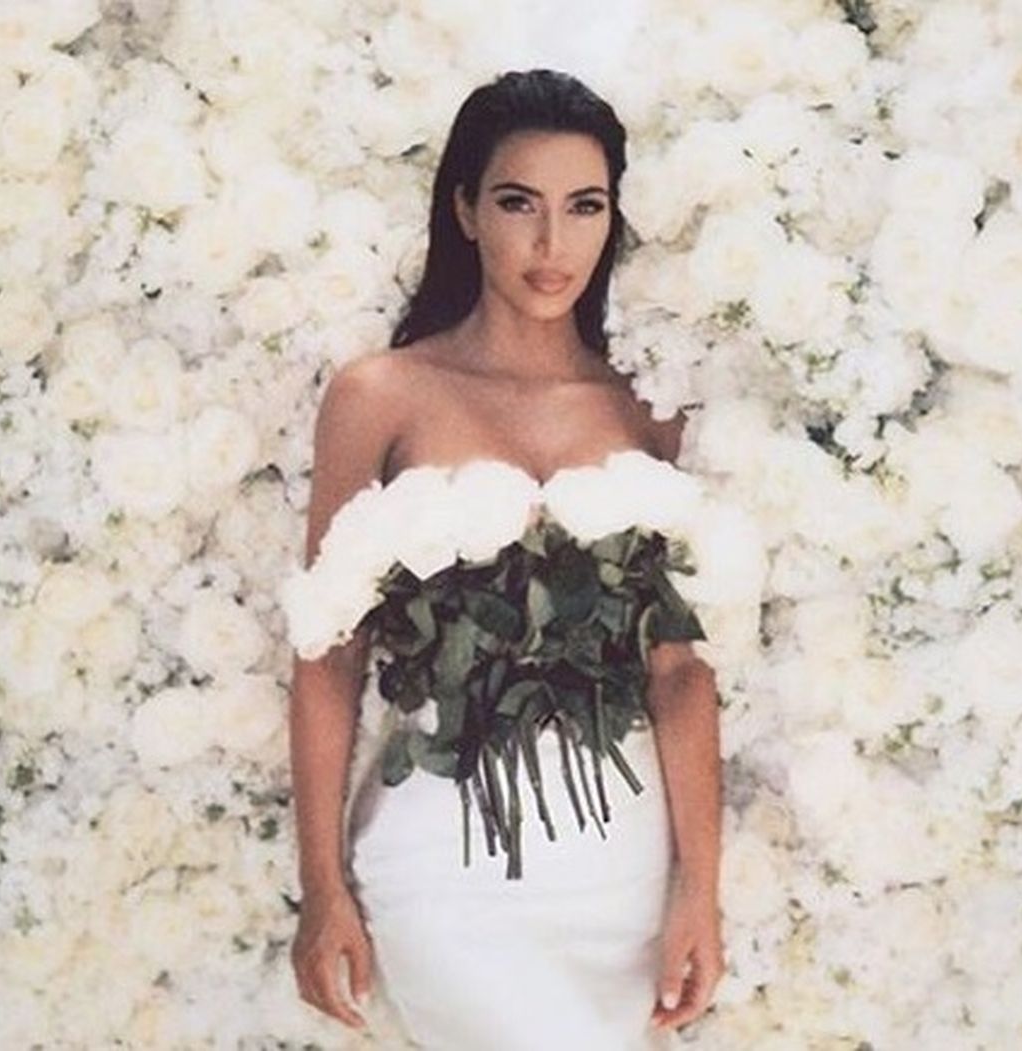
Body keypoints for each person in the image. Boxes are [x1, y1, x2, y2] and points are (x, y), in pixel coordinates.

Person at [286, 68, 726, 1048]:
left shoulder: (648, 413)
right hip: (438, 861)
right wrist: (321, 887)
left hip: (616, 867)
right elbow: (328, 654)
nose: (551, 243)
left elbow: (679, 670)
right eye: (519, 203)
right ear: (466, 211)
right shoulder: (381, 394)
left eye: (584, 206)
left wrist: (700, 889)